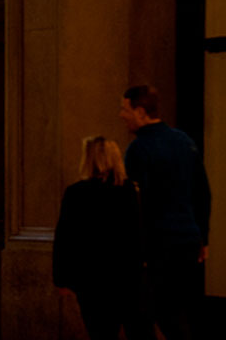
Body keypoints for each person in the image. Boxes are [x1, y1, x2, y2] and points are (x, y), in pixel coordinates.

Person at [120, 85, 211, 340]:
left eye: (124, 109)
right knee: (178, 309)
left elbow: (136, 204)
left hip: (157, 243)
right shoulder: (184, 142)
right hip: (188, 240)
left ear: (140, 111)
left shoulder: (139, 149)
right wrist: (202, 236)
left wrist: (137, 248)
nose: (121, 115)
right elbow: (202, 192)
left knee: (152, 310)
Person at [53, 137, 153, 340]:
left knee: (101, 332)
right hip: (128, 278)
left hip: (92, 280)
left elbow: (65, 238)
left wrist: (61, 278)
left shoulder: (76, 193)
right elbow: (140, 236)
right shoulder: (130, 192)